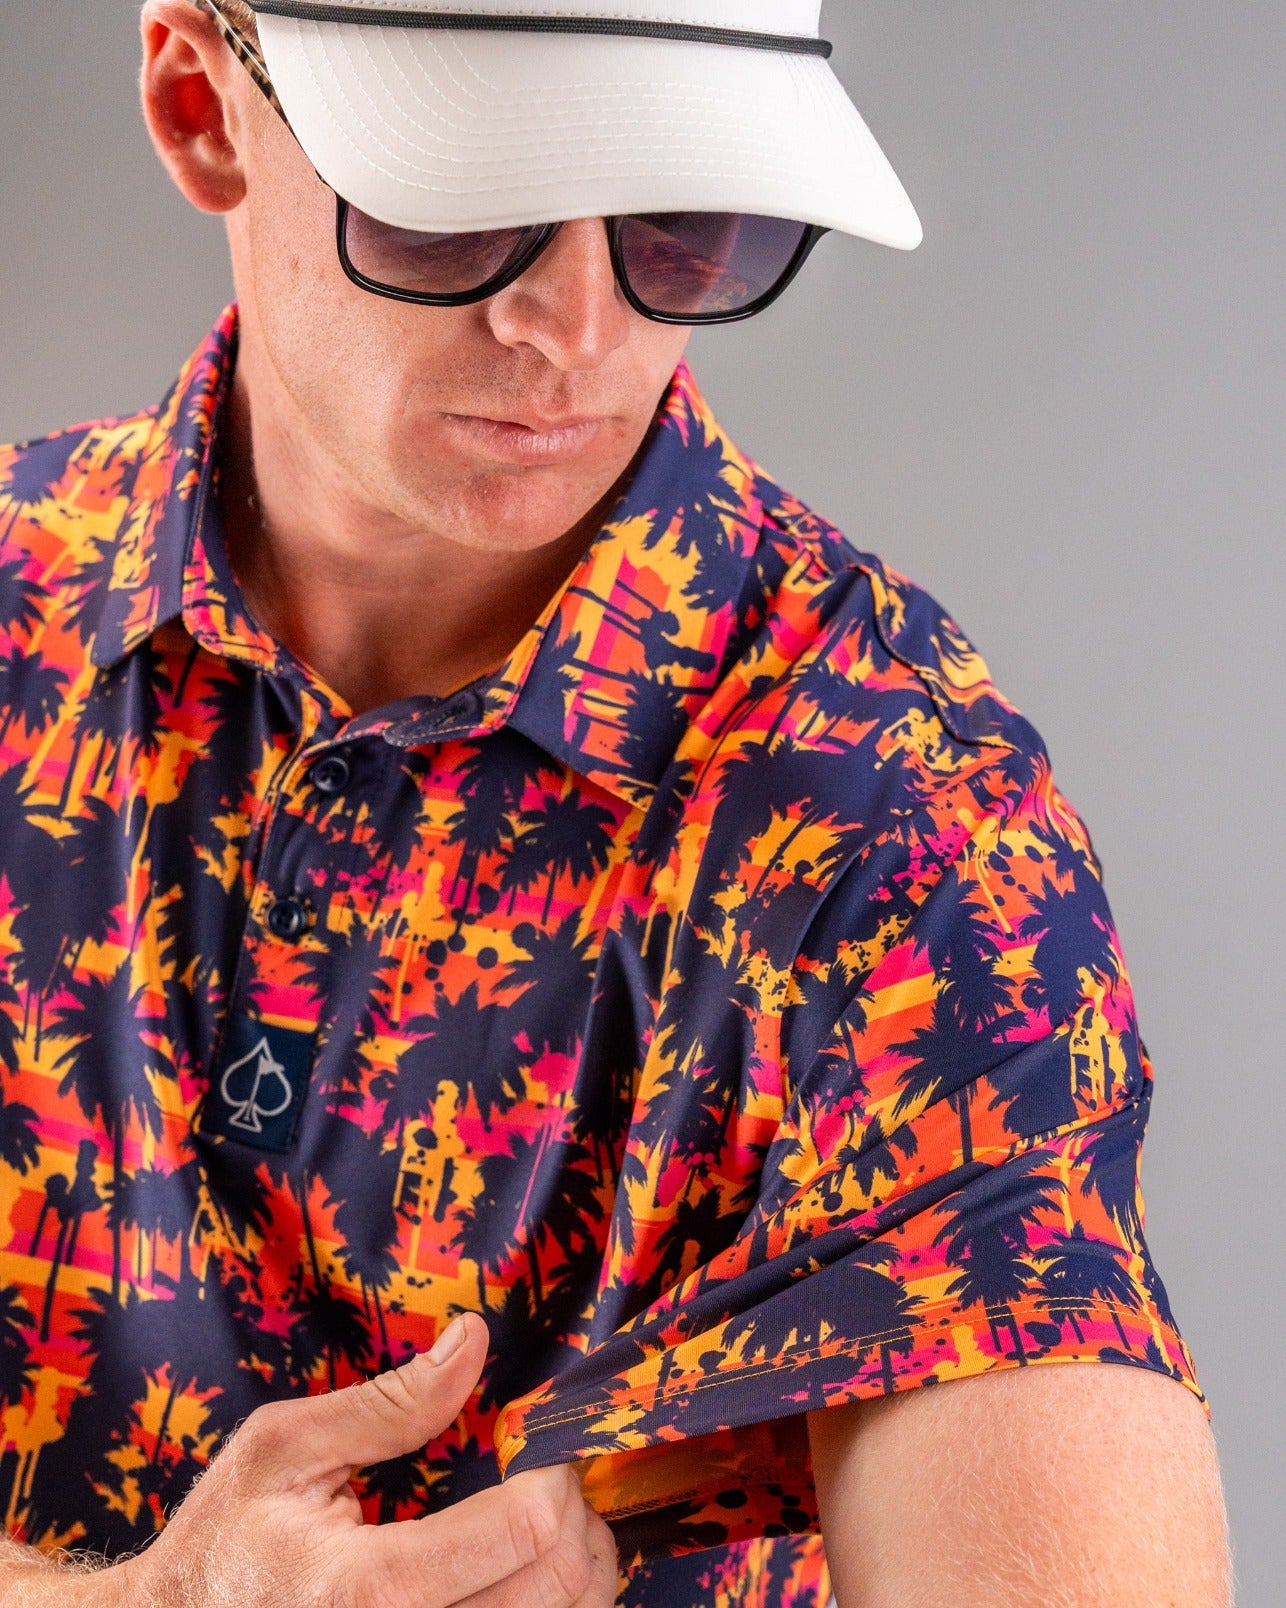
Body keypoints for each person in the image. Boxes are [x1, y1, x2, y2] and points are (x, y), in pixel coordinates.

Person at [0, 2, 1229, 1604]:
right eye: (458, 201)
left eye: (683, 217)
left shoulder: (898, 822)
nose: (572, 323)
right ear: (198, 104)